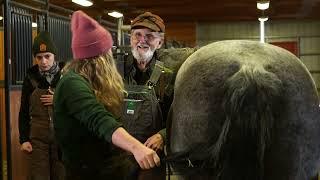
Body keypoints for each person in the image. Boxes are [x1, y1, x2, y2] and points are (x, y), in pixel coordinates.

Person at [53, 10, 160, 180]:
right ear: (101, 58)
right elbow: (100, 120)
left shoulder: (93, 84)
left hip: (108, 169)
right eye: (108, 50)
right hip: (87, 173)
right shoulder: (71, 83)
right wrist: (137, 148)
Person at [122, 12, 196, 179]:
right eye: (137, 35)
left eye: (149, 36)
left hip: (151, 153)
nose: (142, 40)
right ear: (130, 38)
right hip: (120, 150)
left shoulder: (169, 75)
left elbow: (180, 114)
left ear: (160, 42)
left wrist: (163, 135)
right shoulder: (117, 71)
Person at [18, 31, 65, 180]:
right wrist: (24, 139)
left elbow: (77, 105)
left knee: (62, 175)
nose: (43, 61)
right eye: (39, 57)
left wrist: (57, 99)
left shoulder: (67, 76)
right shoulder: (30, 79)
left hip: (62, 138)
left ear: (54, 56)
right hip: (38, 140)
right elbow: (24, 110)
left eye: (47, 56)